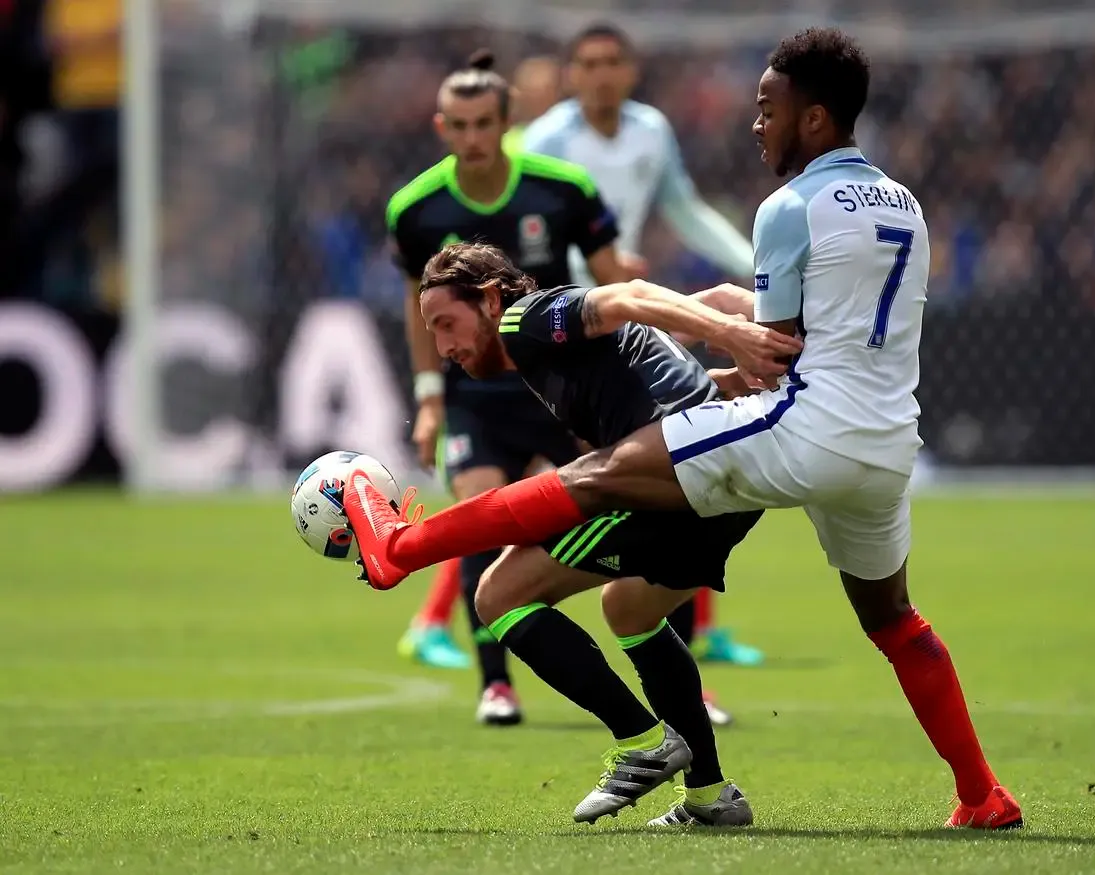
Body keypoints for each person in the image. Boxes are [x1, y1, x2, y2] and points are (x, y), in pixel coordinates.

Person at [348, 27, 1023, 831]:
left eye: (769, 109)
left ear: (814, 120)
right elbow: (819, 326)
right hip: (885, 445)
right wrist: (726, 319)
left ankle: (401, 551)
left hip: (802, 428)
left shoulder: (786, 207)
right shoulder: (905, 205)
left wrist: (733, 338)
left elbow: (770, 346)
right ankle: (979, 794)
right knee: (883, 620)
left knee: (583, 487)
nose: (756, 123)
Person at [371, 241, 779, 825]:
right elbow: (657, 364)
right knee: (630, 608)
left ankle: (641, 742)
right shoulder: (556, 357)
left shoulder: (526, 319)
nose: (443, 348)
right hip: (724, 493)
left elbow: (632, 296)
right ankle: (710, 797)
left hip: (675, 480)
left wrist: (730, 332)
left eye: (446, 325)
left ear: (489, 300)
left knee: (498, 594)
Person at [387, 49, 631, 726]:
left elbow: (610, 281)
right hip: (475, 400)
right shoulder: (415, 208)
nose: (471, 139)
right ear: (441, 126)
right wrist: (430, 396)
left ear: (507, 121)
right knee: (475, 517)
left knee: (626, 519)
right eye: (458, 126)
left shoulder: (561, 188)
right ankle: (496, 684)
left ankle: (670, 673)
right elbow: (420, 309)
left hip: (559, 391)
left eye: (482, 124)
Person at [523, 22, 765, 670]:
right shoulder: (546, 141)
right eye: (589, 63)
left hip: (620, 319)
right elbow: (533, 241)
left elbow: (683, 209)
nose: (602, 74)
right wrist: (595, 278)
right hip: (562, 328)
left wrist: (752, 264)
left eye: (613, 62)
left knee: (672, 463)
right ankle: (494, 614)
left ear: (631, 70)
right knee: (618, 475)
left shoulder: (651, 131)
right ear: (572, 73)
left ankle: (679, 633)